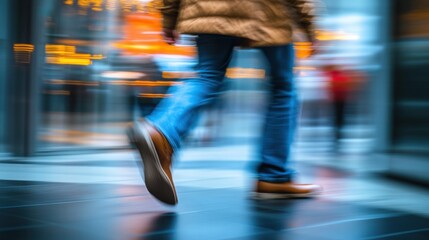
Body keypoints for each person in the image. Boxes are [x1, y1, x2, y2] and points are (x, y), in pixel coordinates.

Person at [128, 0, 322, 205]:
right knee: (283, 88)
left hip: (209, 8)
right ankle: (273, 175)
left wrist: (169, 15)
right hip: (268, 10)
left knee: (207, 75)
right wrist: (309, 25)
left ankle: (161, 130)